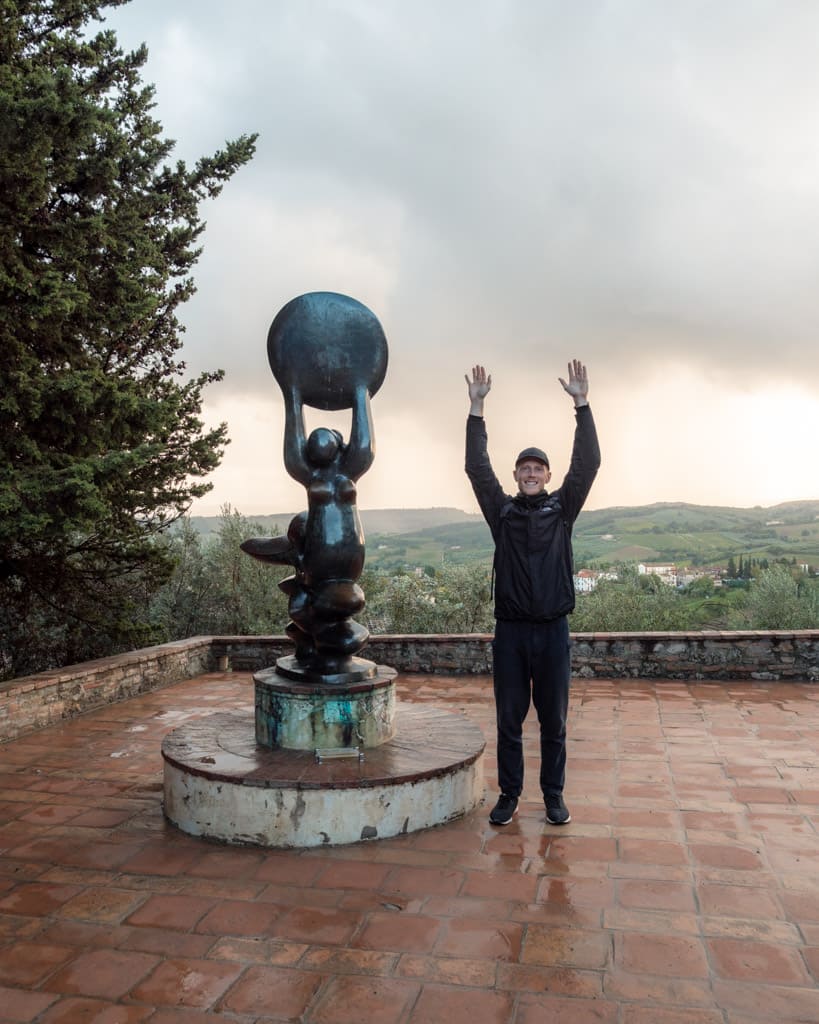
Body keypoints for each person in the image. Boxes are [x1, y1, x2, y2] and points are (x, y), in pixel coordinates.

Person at [464, 360, 600, 826]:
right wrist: (477, 410)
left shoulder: (563, 510)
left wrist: (582, 405)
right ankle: (509, 795)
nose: (530, 472)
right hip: (511, 635)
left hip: (553, 631)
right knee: (508, 722)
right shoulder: (501, 514)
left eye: (538, 467)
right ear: (517, 474)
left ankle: (554, 796)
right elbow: (476, 469)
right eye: (524, 467)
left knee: (554, 723)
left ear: (546, 475)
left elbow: (589, 464)